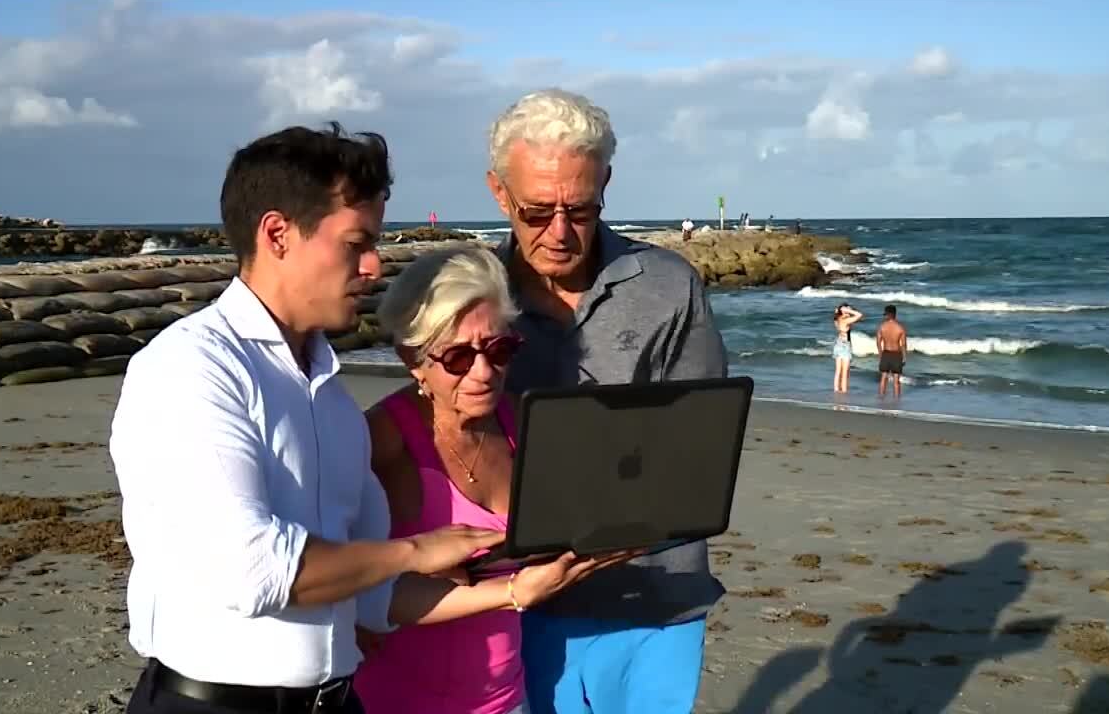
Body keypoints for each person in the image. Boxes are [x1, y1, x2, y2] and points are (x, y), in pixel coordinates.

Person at [110, 124, 614, 714]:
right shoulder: (191, 368)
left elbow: (373, 597)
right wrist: (416, 549)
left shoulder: (329, 395)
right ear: (277, 234)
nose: (374, 267)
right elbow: (252, 569)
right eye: (356, 244)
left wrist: (514, 591)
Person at [485, 88, 729, 714]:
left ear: (607, 184)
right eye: (536, 213)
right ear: (498, 192)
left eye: (582, 209)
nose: (561, 233)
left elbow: (702, 444)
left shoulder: (669, 284)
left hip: (657, 598)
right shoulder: (471, 295)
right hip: (514, 598)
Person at [353, 245, 614, 713]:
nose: (484, 372)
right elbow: (352, 585)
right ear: (413, 358)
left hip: (507, 696)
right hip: (400, 701)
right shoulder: (379, 443)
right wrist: (511, 593)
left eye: (499, 349)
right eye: (456, 357)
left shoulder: (520, 422)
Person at [876, 304, 908, 397]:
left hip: (886, 353)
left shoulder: (882, 327)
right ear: (895, 314)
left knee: (884, 378)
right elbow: (903, 345)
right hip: (896, 354)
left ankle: (881, 398)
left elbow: (878, 342)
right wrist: (904, 357)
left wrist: (881, 354)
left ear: (887, 314)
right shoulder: (900, 328)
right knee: (896, 380)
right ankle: (896, 400)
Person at [832, 302, 863, 393]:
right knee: (845, 372)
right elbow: (859, 315)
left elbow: (836, 316)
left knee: (838, 371)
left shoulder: (837, 319)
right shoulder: (845, 320)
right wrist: (848, 310)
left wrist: (842, 311)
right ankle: (844, 392)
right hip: (845, 346)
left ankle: (836, 390)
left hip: (838, 344)